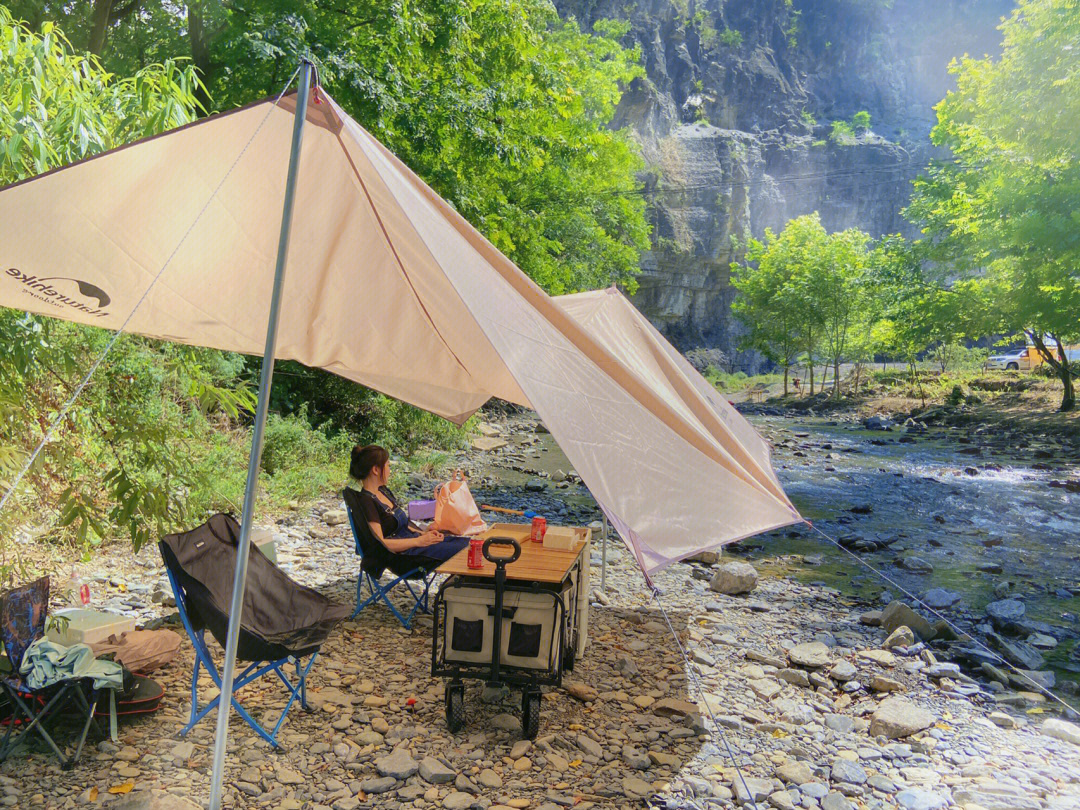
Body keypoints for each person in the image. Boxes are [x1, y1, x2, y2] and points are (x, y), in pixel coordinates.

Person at [345, 444, 470, 563]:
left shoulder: (383, 491)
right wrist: (419, 541)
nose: (389, 470)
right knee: (467, 550)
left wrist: (425, 534)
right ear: (376, 470)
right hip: (403, 556)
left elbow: (404, 523)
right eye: (388, 465)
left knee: (469, 543)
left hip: (413, 541)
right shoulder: (367, 501)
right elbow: (380, 544)